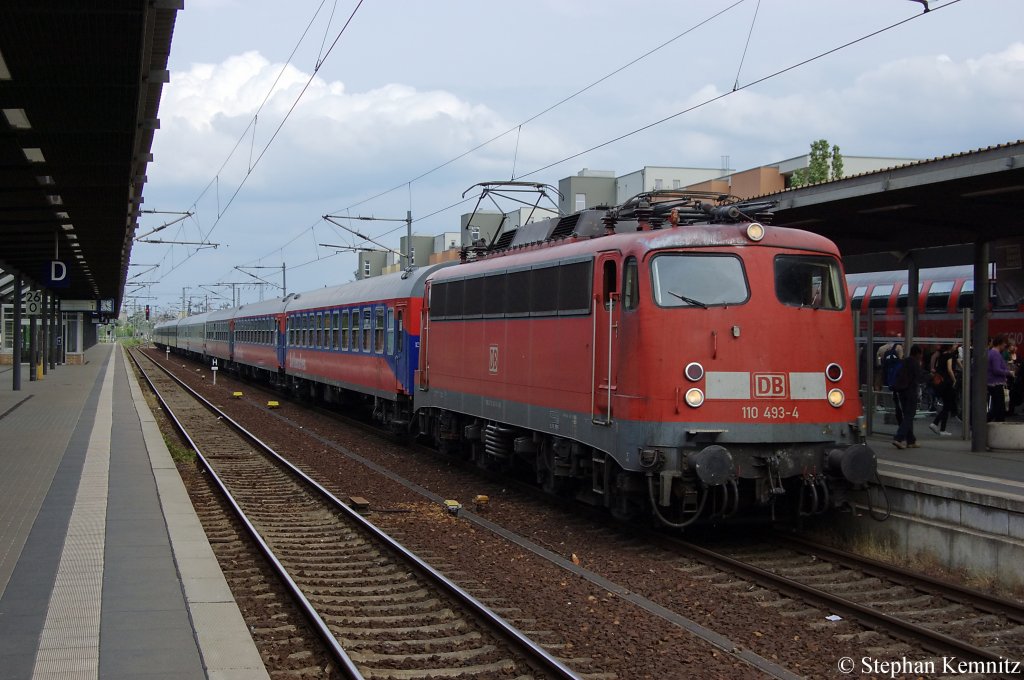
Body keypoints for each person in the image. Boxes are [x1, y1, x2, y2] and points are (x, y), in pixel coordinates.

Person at [893, 344, 925, 449]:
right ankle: (898, 438)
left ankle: (911, 440)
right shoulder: (915, 363)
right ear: (917, 353)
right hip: (910, 392)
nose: (921, 356)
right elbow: (920, 376)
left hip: (901, 392)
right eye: (921, 354)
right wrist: (930, 376)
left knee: (907, 415)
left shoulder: (904, 361)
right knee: (909, 416)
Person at [929, 344, 958, 436]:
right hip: (947, 384)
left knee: (946, 405)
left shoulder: (941, 356)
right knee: (947, 406)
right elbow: (949, 369)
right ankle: (936, 423)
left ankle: (941, 428)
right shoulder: (949, 356)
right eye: (955, 344)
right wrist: (954, 380)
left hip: (941, 384)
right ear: (950, 347)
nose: (956, 345)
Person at [987, 334, 1015, 422]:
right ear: (1000, 343)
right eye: (1004, 344)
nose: (1005, 347)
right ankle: (984, 422)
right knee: (999, 408)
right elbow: (996, 370)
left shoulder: (991, 352)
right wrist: (1008, 372)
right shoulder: (995, 354)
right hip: (996, 384)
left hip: (992, 383)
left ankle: (983, 422)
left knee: (996, 407)